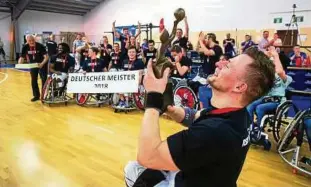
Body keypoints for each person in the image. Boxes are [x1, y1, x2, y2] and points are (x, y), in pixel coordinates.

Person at [124, 46, 275, 187]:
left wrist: (153, 97)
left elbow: (148, 156)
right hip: (205, 178)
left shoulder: (214, 131)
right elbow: (196, 116)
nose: (218, 64)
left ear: (239, 87)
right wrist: (169, 109)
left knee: (132, 170)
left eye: (227, 65)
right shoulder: (239, 115)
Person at [247, 46, 292, 129]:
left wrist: (275, 55)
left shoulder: (287, 78)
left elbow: (279, 71)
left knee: (260, 108)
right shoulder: (268, 75)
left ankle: (259, 129)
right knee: (249, 105)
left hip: (277, 101)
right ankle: (250, 127)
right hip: (265, 99)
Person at [18, 35, 49, 102]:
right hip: (33, 65)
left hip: (42, 63)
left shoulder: (40, 46)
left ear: (34, 39)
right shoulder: (25, 47)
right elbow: (22, 57)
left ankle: (44, 95)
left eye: (33, 40)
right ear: (27, 41)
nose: (32, 42)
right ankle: (36, 96)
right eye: (30, 41)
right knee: (33, 80)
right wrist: (19, 62)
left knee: (44, 79)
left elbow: (46, 57)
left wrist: (42, 64)